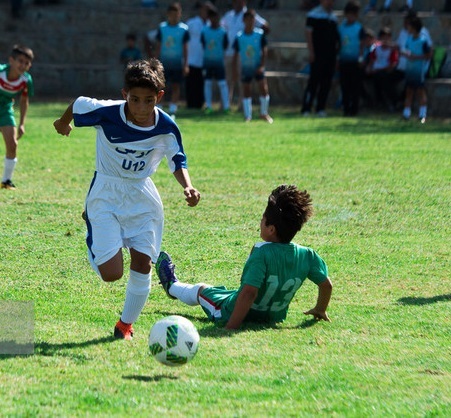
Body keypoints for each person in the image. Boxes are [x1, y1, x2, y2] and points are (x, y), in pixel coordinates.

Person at [53, 59, 201, 340]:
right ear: (125, 95)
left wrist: (188, 186)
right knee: (111, 274)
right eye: (135, 100)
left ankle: (125, 325)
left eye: (149, 101)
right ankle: (92, 228)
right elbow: (79, 103)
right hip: (106, 192)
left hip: (142, 195)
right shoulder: (107, 113)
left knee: (143, 262)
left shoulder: (166, 126)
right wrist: (63, 122)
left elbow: (177, 158)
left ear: (159, 97)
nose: (142, 108)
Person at [156, 184, 333, 330]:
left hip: (230, 312)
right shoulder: (308, 255)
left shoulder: (261, 252)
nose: (260, 223)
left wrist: (230, 326)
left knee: (202, 290)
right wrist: (320, 309)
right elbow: (326, 285)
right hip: (271, 318)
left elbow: (249, 293)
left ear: (271, 229)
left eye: (263, 219)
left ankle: (172, 285)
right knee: (231, 292)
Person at [221, 0, 269, 109]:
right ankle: (226, 105)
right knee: (228, 79)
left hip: (244, 54)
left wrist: (253, 41)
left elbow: (265, 26)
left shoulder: (250, 14)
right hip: (229, 52)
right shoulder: (229, 15)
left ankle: (243, 106)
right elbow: (221, 28)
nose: (237, 3)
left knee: (242, 81)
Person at [0, 45, 34, 190]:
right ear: (11, 60)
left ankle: (6, 181)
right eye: (20, 61)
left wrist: (21, 124)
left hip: (5, 110)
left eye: (26, 63)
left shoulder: (26, 80)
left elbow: (24, 101)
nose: (23, 65)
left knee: (12, 145)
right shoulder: (1, 71)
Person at [301, 0, 340, 117]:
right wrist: (311, 52)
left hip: (330, 55)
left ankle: (320, 108)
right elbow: (309, 34)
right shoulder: (313, 15)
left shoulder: (333, 17)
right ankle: (306, 107)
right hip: (318, 54)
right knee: (314, 81)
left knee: (326, 82)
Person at [233, 9, 272, 123]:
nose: (250, 21)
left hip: (258, 66)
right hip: (246, 67)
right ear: (244, 20)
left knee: (263, 88)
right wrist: (235, 70)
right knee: (246, 89)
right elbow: (236, 54)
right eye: (248, 19)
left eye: (252, 19)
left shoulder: (259, 34)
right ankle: (247, 115)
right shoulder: (240, 36)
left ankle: (264, 113)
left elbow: (264, 50)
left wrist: (262, 65)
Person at [155, 2, 190, 118]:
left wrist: (186, 64)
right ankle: (159, 109)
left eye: (177, 13)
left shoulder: (184, 29)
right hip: (163, 63)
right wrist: (155, 62)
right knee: (161, 85)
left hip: (177, 63)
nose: (174, 16)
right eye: (172, 14)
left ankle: (172, 110)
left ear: (180, 14)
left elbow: (185, 48)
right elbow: (158, 45)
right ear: (168, 14)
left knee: (176, 86)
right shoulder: (162, 27)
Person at [401, 16, 432, 123]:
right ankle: (406, 114)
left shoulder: (423, 40)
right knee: (409, 91)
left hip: (419, 70)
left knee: (420, 92)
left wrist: (417, 57)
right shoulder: (409, 39)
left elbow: (428, 55)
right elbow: (406, 50)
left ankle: (422, 114)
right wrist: (406, 55)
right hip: (410, 69)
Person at [338, 1, 365, 116]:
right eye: (349, 14)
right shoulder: (341, 28)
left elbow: (362, 45)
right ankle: (346, 108)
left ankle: (354, 109)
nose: (351, 17)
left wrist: (360, 58)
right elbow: (338, 44)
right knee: (345, 86)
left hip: (355, 62)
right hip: (344, 60)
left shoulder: (359, 28)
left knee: (355, 87)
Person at [201, 7, 230, 113]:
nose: (214, 20)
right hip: (207, 62)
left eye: (216, 18)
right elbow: (203, 44)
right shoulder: (204, 30)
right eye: (212, 18)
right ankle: (208, 106)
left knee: (222, 84)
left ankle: (226, 107)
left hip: (219, 62)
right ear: (209, 18)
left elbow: (225, 45)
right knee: (207, 83)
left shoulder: (223, 32)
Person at [185, 1, 213, 109]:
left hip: (204, 59)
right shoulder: (192, 23)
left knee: (202, 84)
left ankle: (200, 104)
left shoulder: (211, 25)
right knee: (191, 83)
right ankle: (190, 104)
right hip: (192, 58)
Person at [365, 27, 399, 111]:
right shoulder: (376, 48)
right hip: (376, 72)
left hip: (385, 72)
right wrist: (369, 68)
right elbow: (372, 61)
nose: (385, 39)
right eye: (383, 37)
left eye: (387, 37)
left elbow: (392, 64)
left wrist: (379, 70)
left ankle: (390, 102)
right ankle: (371, 101)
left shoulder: (392, 50)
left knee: (382, 79)